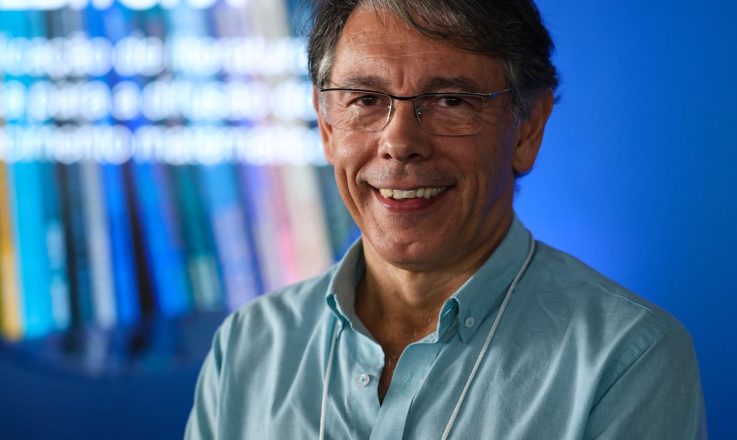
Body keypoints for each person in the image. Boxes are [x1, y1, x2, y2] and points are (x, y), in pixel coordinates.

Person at [185, 0, 707, 438]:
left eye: (450, 101)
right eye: (366, 99)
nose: (399, 142)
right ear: (326, 127)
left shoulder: (626, 358)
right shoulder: (248, 346)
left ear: (527, 129)